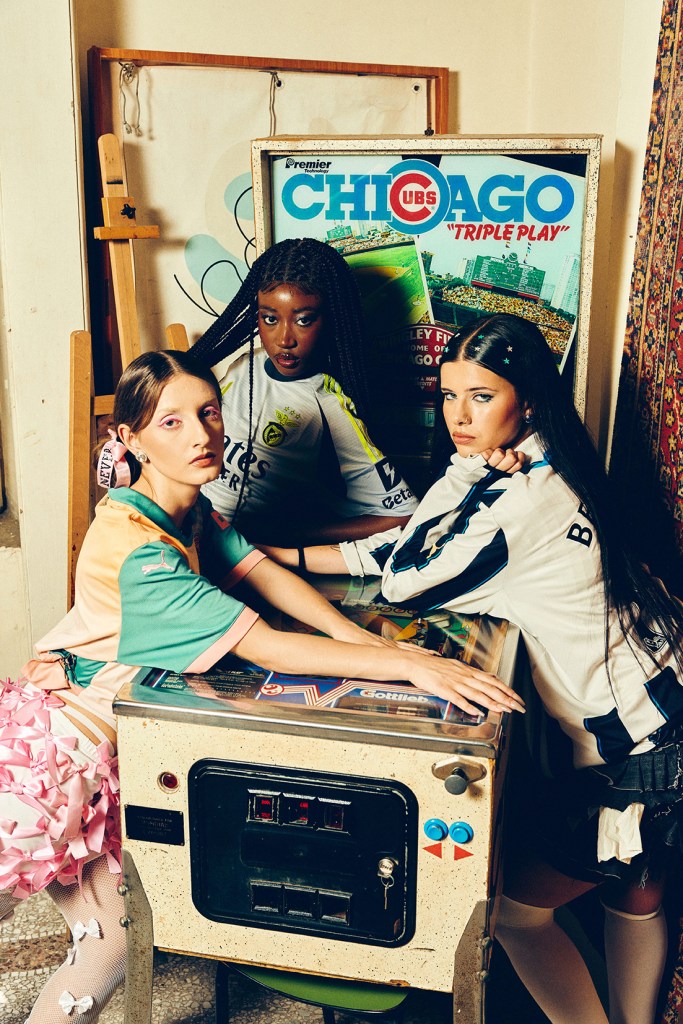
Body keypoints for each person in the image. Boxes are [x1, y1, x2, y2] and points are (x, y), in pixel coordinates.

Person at [0, 349, 523, 1024]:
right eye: (170, 422)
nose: (200, 435)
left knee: (110, 943)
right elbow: (266, 645)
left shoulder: (181, 507)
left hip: (102, 765)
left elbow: (259, 571)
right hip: (51, 765)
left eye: (208, 412)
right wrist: (411, 667)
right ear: (131, 438)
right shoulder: (137, 550)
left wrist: (370, 643)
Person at [263, 313, 683, 1024]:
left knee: (513, 916)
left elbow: (406, 576)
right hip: (665, 710)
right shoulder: (552, 462)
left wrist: (465, 471)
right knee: (633, 895)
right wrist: (277, 558)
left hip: (643, 750)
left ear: (528, 400)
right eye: (449, 395)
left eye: (481, 397)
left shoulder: (515, 501)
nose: (458, 416)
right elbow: (414, 545)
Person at [189, 236, 418, 545]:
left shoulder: (328, 402)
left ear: (330, 319)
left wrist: (293, 537)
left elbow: (403, 514)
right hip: (185, 522)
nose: (285, 339)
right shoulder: (243, 367)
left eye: (304, 320)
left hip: (237, 552)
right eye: (270, 318)